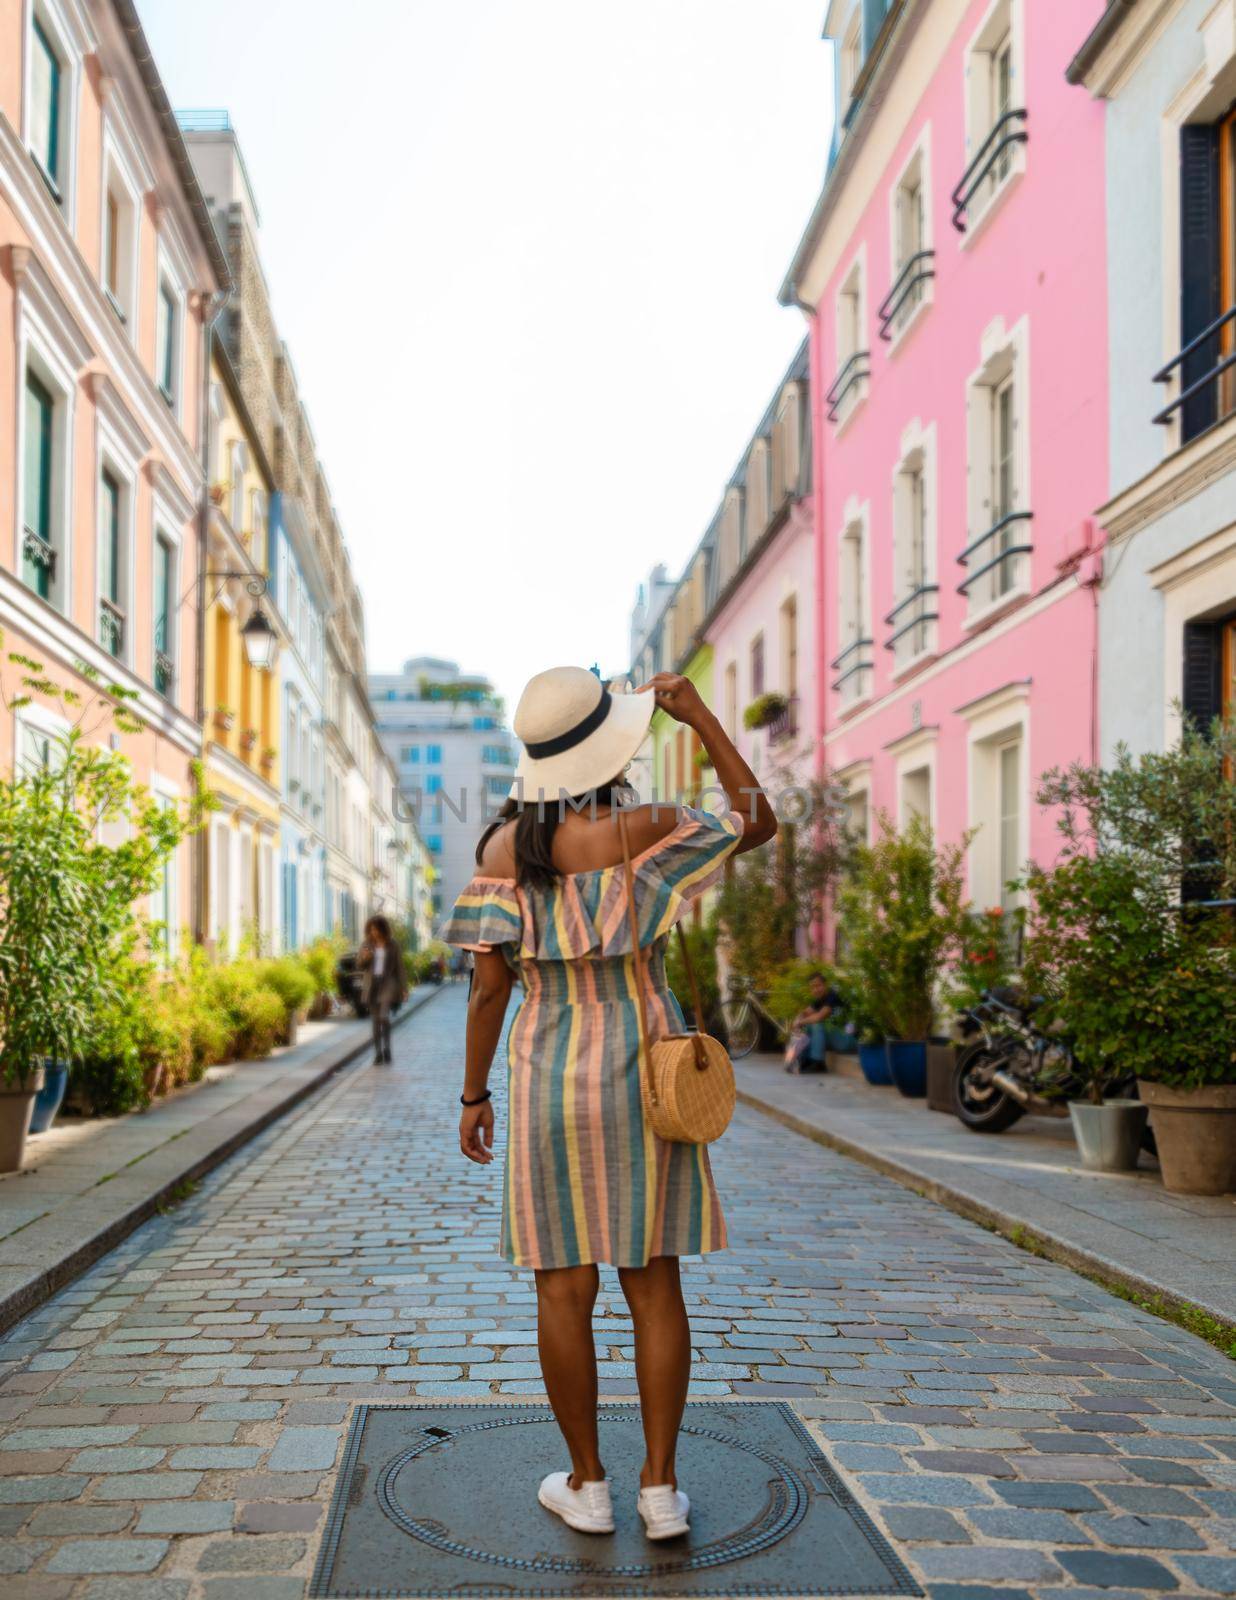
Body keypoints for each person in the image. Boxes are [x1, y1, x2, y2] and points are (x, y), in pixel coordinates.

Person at [442, 666, 776, 1542]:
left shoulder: (503, 851)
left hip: (549, 1068)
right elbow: (759, 820)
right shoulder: (650, 828)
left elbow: (486, 993)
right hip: (644, 1064)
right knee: (653, 1279)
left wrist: (474, 1094)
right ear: (609, 748)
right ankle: (660, 1490)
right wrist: (699, 714)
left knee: (563, 1286)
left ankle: (587, 1484)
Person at [357, 915, 408, 1065]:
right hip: (372, 984)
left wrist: (404, 988)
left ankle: (387, 1049)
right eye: (371, 929)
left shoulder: (393, 945)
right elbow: (359, 965)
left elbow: (400, 967)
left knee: (384, 1017)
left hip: (388, 984)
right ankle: (378, 1053)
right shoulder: (366, 944)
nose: (374, 932)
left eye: (377, 929)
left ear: (383, 928)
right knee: (375, 1020)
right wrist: (365, 957)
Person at [786, 971, 842, 1074]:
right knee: (808, 1026)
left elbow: (819, 1017)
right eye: (812, 987)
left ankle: (818, 1062)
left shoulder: (832, 996)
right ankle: (803, 1060)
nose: (816, 989)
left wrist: (800, 1022)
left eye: (818, 985)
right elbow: (806, 1012)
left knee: (816, 1024)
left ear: (825, 985)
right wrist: (798, 1019)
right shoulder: (820, 1000)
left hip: (845, 1038)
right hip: (833, 1037)